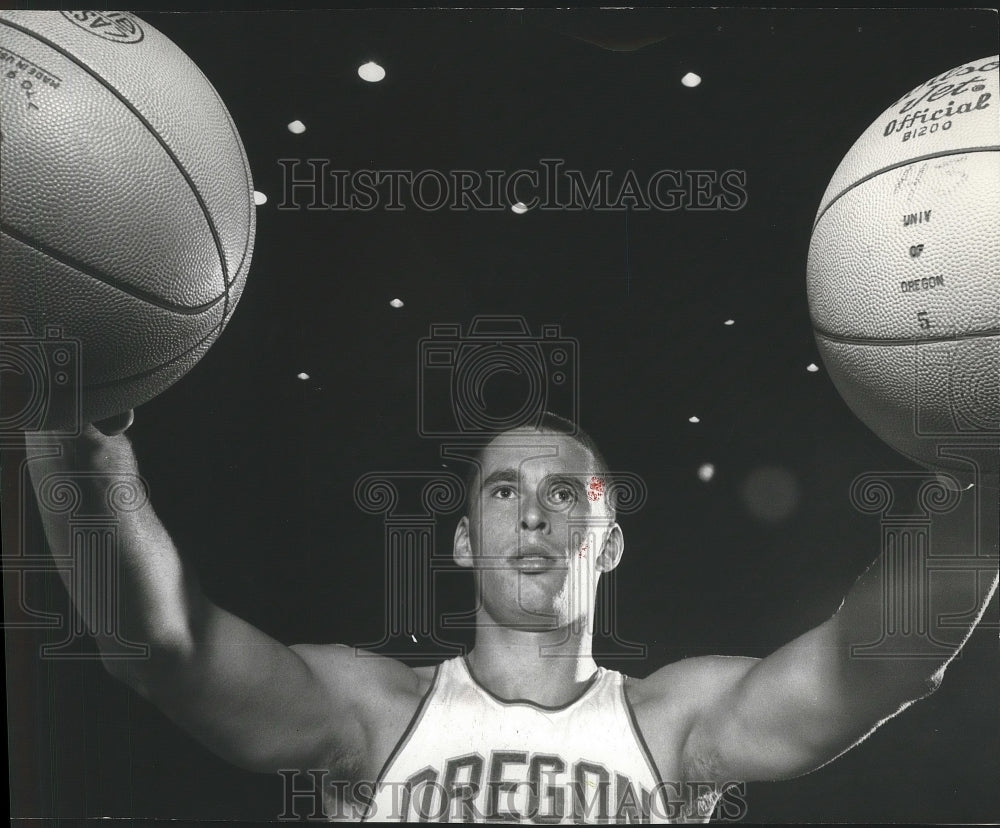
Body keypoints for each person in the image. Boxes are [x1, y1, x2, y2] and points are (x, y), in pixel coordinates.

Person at [23, 409, 998, 823]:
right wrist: (75, 428)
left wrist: (986, 489)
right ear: (458, 542)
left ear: (610, 543)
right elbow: (159, 645)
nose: (534, 509)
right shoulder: (374, 712)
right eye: (502, 492)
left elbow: (876, 664)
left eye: (567, 493)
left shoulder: (672, 724)